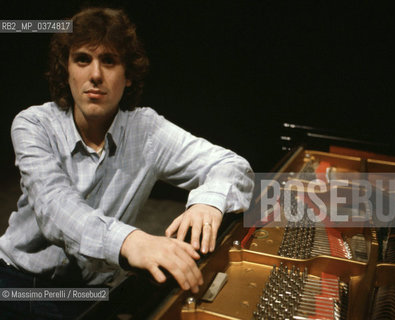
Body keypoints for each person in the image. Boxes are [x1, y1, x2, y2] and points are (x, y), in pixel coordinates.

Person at [0, 7, 254, 319]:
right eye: (82, 59)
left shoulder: (146, 130)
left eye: (109, 61)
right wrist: (132, 241)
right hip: (20, 284)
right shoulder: (33, 124)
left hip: (98, 292)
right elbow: (55, 207)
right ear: (65, 70)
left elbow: (233, 164)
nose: (95, 75)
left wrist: (208, 202)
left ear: (129, 76)